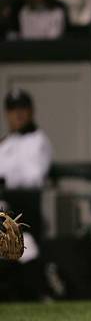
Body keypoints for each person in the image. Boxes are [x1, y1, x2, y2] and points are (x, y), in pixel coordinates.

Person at [0, 89, 53, 299]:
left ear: (31, 111)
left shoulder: (38, 140)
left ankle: (43, 296)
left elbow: (34, 177)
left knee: (27, 254)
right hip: (4, 209)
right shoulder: (5, 143)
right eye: (13, 109)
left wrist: (5, 177)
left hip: (23, 211)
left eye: (22, 108)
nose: (18, 114)